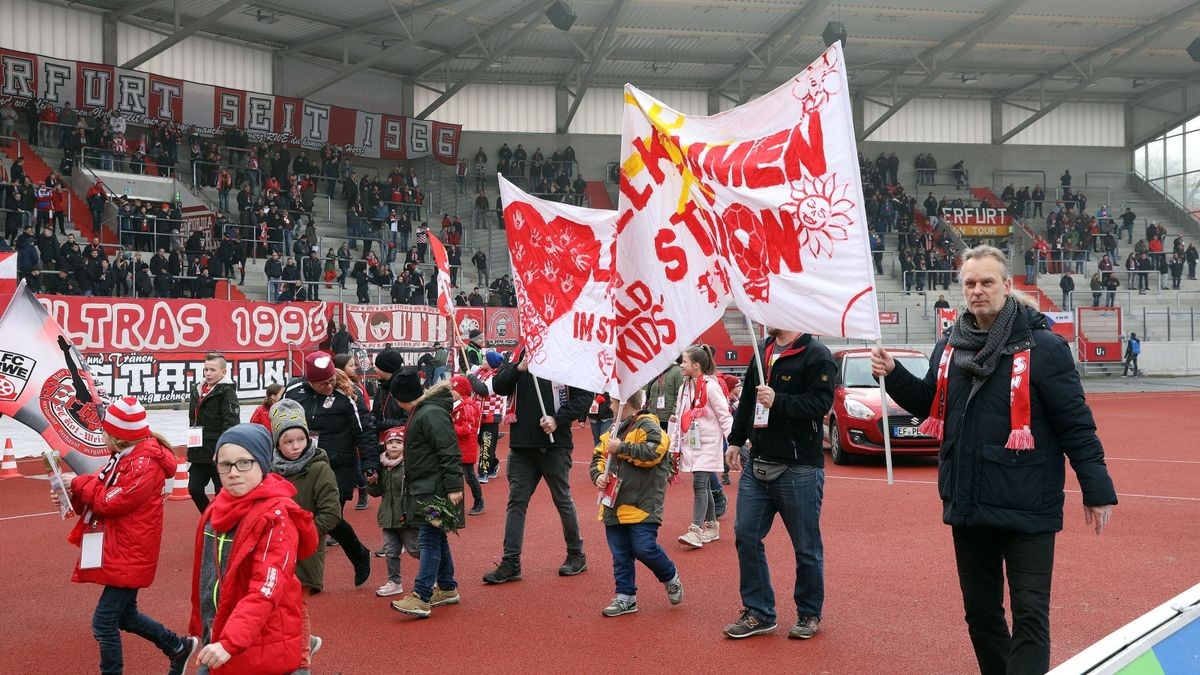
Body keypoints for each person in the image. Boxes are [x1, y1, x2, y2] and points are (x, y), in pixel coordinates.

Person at [871, 245, 1117, 675]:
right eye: (970, 283)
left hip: (1029, 506)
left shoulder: (1045, 348)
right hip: (969, 502)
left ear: (1007, 286)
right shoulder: (949, 345)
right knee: (981, 616)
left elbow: (1076, 426)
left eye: (987, 282)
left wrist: (1096, 490)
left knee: (1029, 619)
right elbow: (932, 405)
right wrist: (894, 373)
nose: (977, 290)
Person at [56, 397, 198, 675]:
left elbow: (109, 501)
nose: (102, 437)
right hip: (124, 546)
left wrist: (75, 483)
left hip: (132, 550)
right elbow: (97, 486)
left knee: (103, 622)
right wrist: (70, 488)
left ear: (119, 437)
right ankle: (177, 647)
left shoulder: (143, 464)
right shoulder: (128, 457)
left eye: (106, 432)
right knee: (125, 617)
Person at [724, 326, 836, 640]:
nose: (763, 314)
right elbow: (747, 400)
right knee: (745, 535)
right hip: (757, 461)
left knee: (806, 546)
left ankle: (809, 614)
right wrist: (735, 441)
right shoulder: (762, 351)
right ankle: (759, 612)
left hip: (799, 468)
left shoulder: (817, 355)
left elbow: (821, 404)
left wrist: (779, 401)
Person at [189, 424, 318, 674]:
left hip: (258, 641)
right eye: (225, 465)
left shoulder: (277, 517)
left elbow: (265, 588)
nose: (234, 472)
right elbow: (206, 577)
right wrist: (203, 628)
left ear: (262, 463)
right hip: (222, 633)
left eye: (244, 463)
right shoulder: (216, 509)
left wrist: (229, 642)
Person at [483, 349, 592, 584]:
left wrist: (558, 418)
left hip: (555, 445)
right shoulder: (520, 354)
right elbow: (499, 385)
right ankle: (511, 561)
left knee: (562, 500)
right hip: (522, 445)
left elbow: (584, 398)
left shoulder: (567, 356)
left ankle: (576, 554)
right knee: (516, 503)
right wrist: (517, 368)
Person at [284, 351, 377, 587]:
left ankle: (319, 575)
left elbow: (364, 431)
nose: (329, 385)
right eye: (322, 383)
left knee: (329, 518)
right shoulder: (294, 392)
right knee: (304, 518)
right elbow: (279, 423)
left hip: (337, 466)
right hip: (302, 464)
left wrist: (369, 464)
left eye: (331, 380)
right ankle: (316, 574)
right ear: (309, 381)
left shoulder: (348, 395)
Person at [590, 392, 683, 617]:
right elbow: (598, 458)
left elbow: (655, 451)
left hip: (642, 502)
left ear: (623, 404)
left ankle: (670, 576)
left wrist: (621, 447)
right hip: (613, 502)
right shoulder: (612, 430)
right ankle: (625, 596)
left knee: (644, 547)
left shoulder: (648, 425)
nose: (610, 406)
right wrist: (599, 475)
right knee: (620, 553)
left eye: (612, 402)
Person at [386, 372, 466, 618]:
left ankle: (422, 596)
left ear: (399, 399)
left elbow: (448, 449)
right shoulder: (426, 411)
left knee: (429, 537)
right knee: (435, 535)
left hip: (434, 491)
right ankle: (447, 586)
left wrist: (453, 487)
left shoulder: (428, 413)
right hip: (428, 488)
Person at [269, 400, 340, 674]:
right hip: (274, 552)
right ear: (277, 443)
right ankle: (303, 642)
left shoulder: (319, 468)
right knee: (274, 605)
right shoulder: (270, 469)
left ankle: (301, 663)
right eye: (288, 441)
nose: (296, 446)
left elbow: (331, 512)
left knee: (297, 606)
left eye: (300, 439)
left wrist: (304, 535)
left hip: (304, 552)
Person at [673, 345, 732, 549]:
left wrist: (733, 442)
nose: (681, 365)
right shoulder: (684, 388)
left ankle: (695, 529)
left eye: (685, 362)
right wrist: (676, 442)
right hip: (692, 443)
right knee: (704, 485)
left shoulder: (711, 386)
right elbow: (682, 415)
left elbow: (724, 415)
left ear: (696, 365)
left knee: (699, 483)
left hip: (709, 443)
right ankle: (712, 525)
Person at [367, 427, 420, 598]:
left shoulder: (408, 465)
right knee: (391, 551)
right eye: (390, 443)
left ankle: (434, 574)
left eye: (398, 443)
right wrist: (372, 482)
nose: (394, 446)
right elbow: (376, 492)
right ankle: (394, 582)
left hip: (406, 517)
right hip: (388, 517)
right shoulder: (381, 467)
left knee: (415, 549)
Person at [187, 353, 240, 513]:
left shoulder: (226, 392)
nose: (208, 373)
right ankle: (209, 517)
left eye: (212, 370)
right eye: (206, 369)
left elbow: (231, 423)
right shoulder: (197, 389)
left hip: (218, 452)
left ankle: (222, 523)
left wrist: (222, 450)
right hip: (198, 450)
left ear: (223, 372)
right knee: (194, 489)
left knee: (221, 493)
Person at [450, 375, 485, 515]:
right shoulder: (457, 405)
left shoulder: (468, 407)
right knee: (454, 476)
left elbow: (467, 429)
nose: (450, 392)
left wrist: (449, 427)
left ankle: (479, 501)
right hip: (456, 447)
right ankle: (455, 504)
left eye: (453, 389)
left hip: (465, 448)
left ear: (462, 390)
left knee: (469, 477)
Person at [645, 357, 684, 429]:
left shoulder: (678, 371)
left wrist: (674, 413)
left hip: (668, 418)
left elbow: (679, 395)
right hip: (652, 416)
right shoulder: (656, 371)